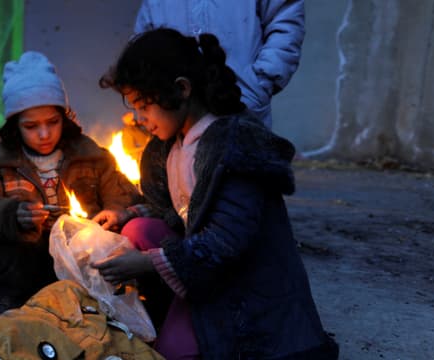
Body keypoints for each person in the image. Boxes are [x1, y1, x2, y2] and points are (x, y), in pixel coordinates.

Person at [93, 28, 338, 359]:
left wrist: (147, 263)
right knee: (137, 229)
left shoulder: (233, 149)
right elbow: (178, 212)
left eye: (143, 106)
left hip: (246, 290)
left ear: (181, 89)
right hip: (201, 268)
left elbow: (225, 243)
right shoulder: (173, 146)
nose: (138, 119)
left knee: (176, 353)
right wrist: (128, 215)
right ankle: (172, 310)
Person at [0, 51, 142, 322]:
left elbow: (118, 192)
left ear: (65, 117)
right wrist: (12, 214)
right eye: (32, 126)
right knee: (14, 245)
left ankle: (84, 300)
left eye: (53, 122)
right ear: (15, 126)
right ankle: (13, 297)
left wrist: (116, 211)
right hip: (26, 254)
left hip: (76, 250)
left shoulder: (88, 154)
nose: (45, 134)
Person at [133, 0, 305, 129]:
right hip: (178, 120)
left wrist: (260, 84)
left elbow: (285, 20)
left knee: (243, 174)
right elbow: (144, 44)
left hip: (242, 110)